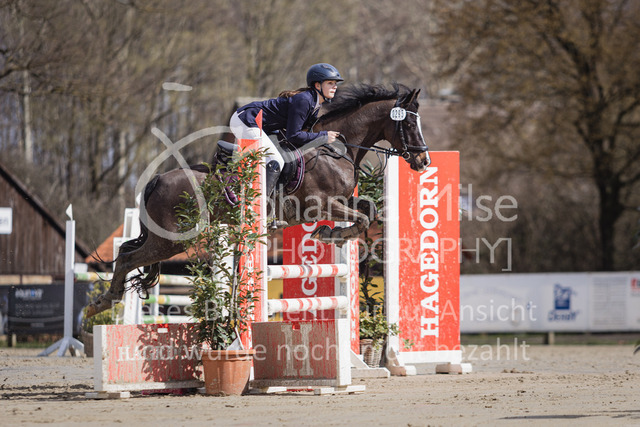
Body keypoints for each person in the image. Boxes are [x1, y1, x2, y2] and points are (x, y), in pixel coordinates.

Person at [229, 63, 343, 196]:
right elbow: (293, 136)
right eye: (330, 83)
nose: (335, 87)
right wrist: (323, 136)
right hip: (247, 120)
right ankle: (262, 199)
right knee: (275, 159)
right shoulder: (304, 100)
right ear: (318, 85)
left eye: (335, 83)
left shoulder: (315, 103)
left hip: (263, 126)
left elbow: (304, 133)